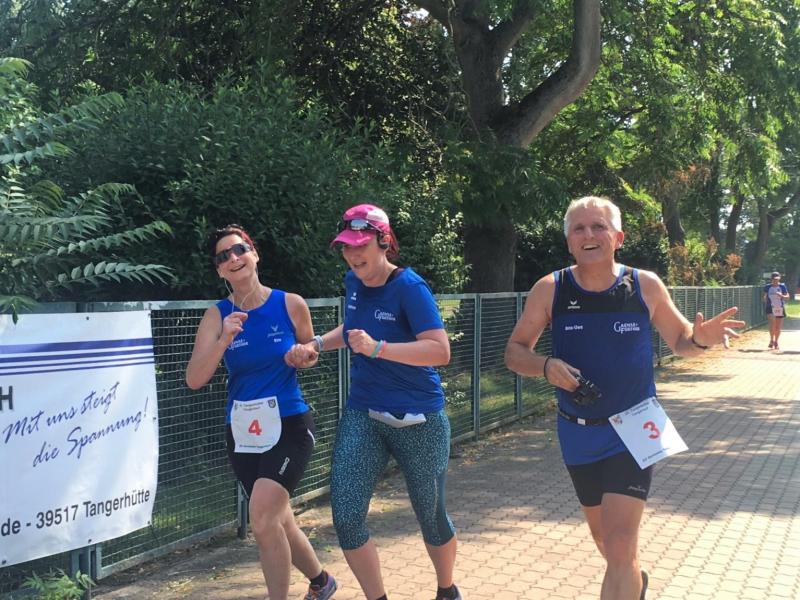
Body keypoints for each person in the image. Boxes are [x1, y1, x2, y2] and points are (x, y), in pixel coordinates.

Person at [504, 196, 745, 600]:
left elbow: (682, 340)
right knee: (607, 542)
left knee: (618, 544)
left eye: (599, 226)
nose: (589, 235)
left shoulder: (644, 284)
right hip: (577, 431)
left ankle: (626, 575)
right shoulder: (550, 289)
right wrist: (545, 365)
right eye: (579, 228)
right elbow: (514, 353)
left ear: (618, 237)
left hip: (635, 427)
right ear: (569, 242)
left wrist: (700, 340)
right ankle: (635, 579)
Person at [286, 204, 461, 600]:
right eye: (346, 247)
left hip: (419, 418)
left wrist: (379, 348)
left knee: (431, 516)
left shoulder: (410, 287)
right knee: (347, 516)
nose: (353, 254)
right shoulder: (354, 281)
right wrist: (317, 344)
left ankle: (446, 589)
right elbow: (353, 329)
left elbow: (440, 350)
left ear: (384, 241)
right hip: (364, 413)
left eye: (360, 245)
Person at [185, 224, 337, 600]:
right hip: (243, 430)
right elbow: (195, 379)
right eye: (223, 256)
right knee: (277, 518)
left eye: (239, 250)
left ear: (254, 254)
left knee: (264, 517)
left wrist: (303, 356)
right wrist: (224, 339)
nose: (233, 258)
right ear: (219, 270)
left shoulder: (290, 304)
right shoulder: (216, 316)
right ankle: (321, 582)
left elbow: (310, 352)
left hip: (289, 423)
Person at [763, 271, 790, 349]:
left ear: (779, 278)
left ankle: (776, 341)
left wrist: (781, 296)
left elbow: (787, 297)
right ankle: (771, 340)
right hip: (770, 307)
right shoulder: (767, 287)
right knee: (772, 324)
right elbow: (765, 296)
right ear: (771, 279)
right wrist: (765, 299)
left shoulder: (782, 286)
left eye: (777, 279)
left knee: (778, 327)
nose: (776, 280)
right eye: (774, 279)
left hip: (779, 307)